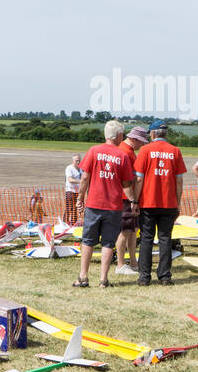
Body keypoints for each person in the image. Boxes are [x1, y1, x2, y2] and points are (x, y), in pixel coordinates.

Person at [74, 120, 135, 288]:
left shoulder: (94, 151)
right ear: (119, 136)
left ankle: (83, 277)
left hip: (94, 204)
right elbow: (126, 183)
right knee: (108, 243)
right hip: (114, 206)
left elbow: (85, 177)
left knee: (88, 240)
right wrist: (133, 201)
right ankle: (103, 280)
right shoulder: (122, 155)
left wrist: (80, 198)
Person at [134, 124, 187, 285]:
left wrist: (135, 201)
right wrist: (177, 203)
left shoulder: (145, 150)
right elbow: (179, 181)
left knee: (146, 239)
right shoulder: (175, 151)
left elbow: (139, 179)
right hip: (169, 203)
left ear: (152, 133)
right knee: (165, 239)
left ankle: (144, 277)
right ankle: (164, 276)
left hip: (148, 202)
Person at [115, 126, 149, 275]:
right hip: (126, 198)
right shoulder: (126, 153)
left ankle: (133, 262)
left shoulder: (127, 151)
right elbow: (127, 179)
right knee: (125, 231)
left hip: (128, 197)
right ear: (134, 139)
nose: (142, 145)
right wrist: (133, 200)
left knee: (132, 230)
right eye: (141, 142)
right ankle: (121, 264)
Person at [63, 155, 82, 225]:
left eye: (79, 160)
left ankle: (74, 223)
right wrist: (81, 181)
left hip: (78, 192)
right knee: (69, 208)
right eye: (76, 160)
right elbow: (70, 180)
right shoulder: (69, 168)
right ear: (73, 161)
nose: (78, 162)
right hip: (70, 191)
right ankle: (64, 223)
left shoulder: (81, 169)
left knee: (76, 208)